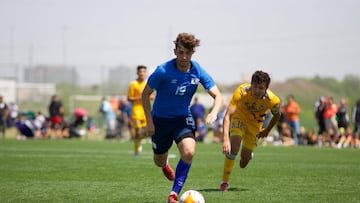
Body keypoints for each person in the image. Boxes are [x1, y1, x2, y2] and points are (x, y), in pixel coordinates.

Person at [142, 32, 223, 203]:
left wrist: (214, 112)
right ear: (175, 51)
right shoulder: (163, 70)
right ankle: (164, 165)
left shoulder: (197, 70)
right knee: (158, 160)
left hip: (182, 118)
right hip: (160, 121)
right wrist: (149, 122)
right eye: (180, 52)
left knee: (189, 151)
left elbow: (218, 96)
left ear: (193, 53)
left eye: (187, 53)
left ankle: (173, 195)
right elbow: (145, 94)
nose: (184, 57)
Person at [220, 70, 281, 191]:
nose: (257, 90)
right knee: (234, 147)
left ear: (266, 88)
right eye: (255, 87)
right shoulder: (240, 92)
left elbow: (277, 115)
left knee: (243, 163)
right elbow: (227, 116)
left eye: (261, 88)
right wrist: (226, 139)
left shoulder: (273, 100)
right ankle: (224, 182)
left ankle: (248, 156)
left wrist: (267, 130)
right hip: (240, 118)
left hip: (255, 125)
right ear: (251, 84)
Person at [127, 65, 149, 157]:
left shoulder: (148, 83)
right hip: (136, 111)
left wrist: (147, 96)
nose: (142, 73)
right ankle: (136, 151)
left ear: (146, 73)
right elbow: (129, 98)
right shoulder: (133, 84)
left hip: (146, 111)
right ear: (137, 73)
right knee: (138, 132)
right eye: (140, 71)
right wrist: (139, 97)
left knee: (148, 132)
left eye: (144, 71)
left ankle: (138, 141)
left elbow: (151, 96)